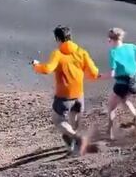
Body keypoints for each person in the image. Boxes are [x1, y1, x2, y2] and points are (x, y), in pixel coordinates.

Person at [31, 25, 99, 155]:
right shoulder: (81, 52)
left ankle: (77, 139)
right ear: (70, 37)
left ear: (58, 39)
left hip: (64, 96)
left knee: (58, 120)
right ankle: (73, 147)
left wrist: (36, 65)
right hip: (79, 94)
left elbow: (47, 69)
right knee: (74, 120)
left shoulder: (58, 54)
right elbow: (94, 72)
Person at [100, 28, 136, 140]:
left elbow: (112, 73)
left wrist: (100, 77)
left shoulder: (113, 52)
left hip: (122, 83)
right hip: (134, 81)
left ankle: (109, 133)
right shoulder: (130, 46)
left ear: (110, 40)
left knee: (111, 107)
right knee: (124, 100)